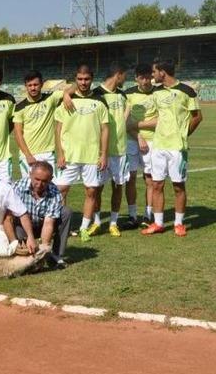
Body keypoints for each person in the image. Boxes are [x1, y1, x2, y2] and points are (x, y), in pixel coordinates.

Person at [140, 59, 203, 237]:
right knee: (157, 184)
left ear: (162, 72)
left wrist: (184, 134)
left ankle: (178, 223)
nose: (152, 75)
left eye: (154, 72)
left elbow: (197, 117)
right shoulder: (157, 91)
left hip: (177, 147)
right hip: (158, 146)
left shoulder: (186, 91)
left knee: (178, 186)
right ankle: (158, 223)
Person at [53, 64, 109, 243]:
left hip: (91, 155)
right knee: (61, 190)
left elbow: (105, 129)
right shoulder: (67, 100)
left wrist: (103, 154)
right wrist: (60, 154)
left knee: (91, 191)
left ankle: (84, 228)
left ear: (92, 79)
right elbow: (58, 129)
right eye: (80, 79)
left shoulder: (100, 101)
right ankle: (61, 226)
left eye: (86, 79)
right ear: (75, 80)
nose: (83, 82)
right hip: (69, 155)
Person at [90, 63, 129, 237]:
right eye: (124, 76)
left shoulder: (122, 95)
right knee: (97, 188)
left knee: (118, 186)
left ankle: (113, 223)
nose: (125, 79)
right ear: (118, 74)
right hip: (101, 151)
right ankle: (97, 222)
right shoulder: (96, 94)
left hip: (120, 149)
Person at [13, 70, 72, 176]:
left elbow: (74, 87)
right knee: (30, 188)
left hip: (48, 154)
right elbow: (17, 134)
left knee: (52, 188)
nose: (33, 88)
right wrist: (28, 155)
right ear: (25, 86)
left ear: (42, 84)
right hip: (29, 155)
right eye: (29, 85)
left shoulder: (50, 98)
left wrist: (66, 93)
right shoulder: (19, 107)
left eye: (36, 84)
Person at [13, 161, 70, 268]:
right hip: (22, 225)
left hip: (43, 224)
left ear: (51, 179)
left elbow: (49, 222)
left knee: (66, 212)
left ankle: (56, 255)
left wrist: (44, 249)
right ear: (30, 174)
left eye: (44, 181)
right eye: (37, 179)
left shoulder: (55, 193)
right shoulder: (17, 188)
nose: (39, 184)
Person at [124, 63, 157, 227]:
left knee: (150, 179)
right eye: (142, 77)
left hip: (152, 141)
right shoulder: (129, 94)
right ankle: (132, 215)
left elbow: (160, 121)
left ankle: (148, 215)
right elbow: (126, 122)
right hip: (131, 140)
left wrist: (138, 127)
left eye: (148, 77)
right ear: (136, 78)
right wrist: (138, 137)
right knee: (130, 178)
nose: (145, 81)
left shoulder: (157, 93)